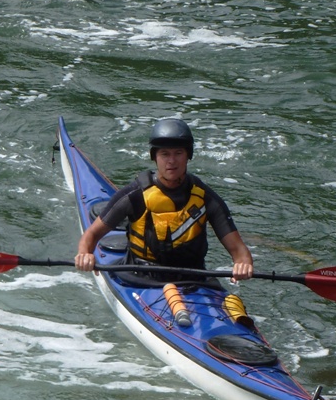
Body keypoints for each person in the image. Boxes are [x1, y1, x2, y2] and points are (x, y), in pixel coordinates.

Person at [74, 118, 254, 281]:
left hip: (192, 278)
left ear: (188, 156)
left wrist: (243, 264)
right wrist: (85, 254)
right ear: (155, 157)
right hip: (141, 276)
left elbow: (239, 250)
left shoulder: (205, 198)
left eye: (178, 153)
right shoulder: (135, 195)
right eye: (165, 154)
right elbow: (91, 236)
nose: (171, 161)